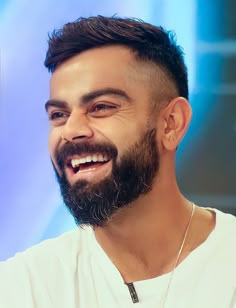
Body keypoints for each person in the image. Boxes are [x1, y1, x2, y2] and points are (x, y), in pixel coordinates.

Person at [0, 16, 235, 308]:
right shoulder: (23, 288)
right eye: (59, 114)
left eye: (101, 107)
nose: (71, 131)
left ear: (171, 124)